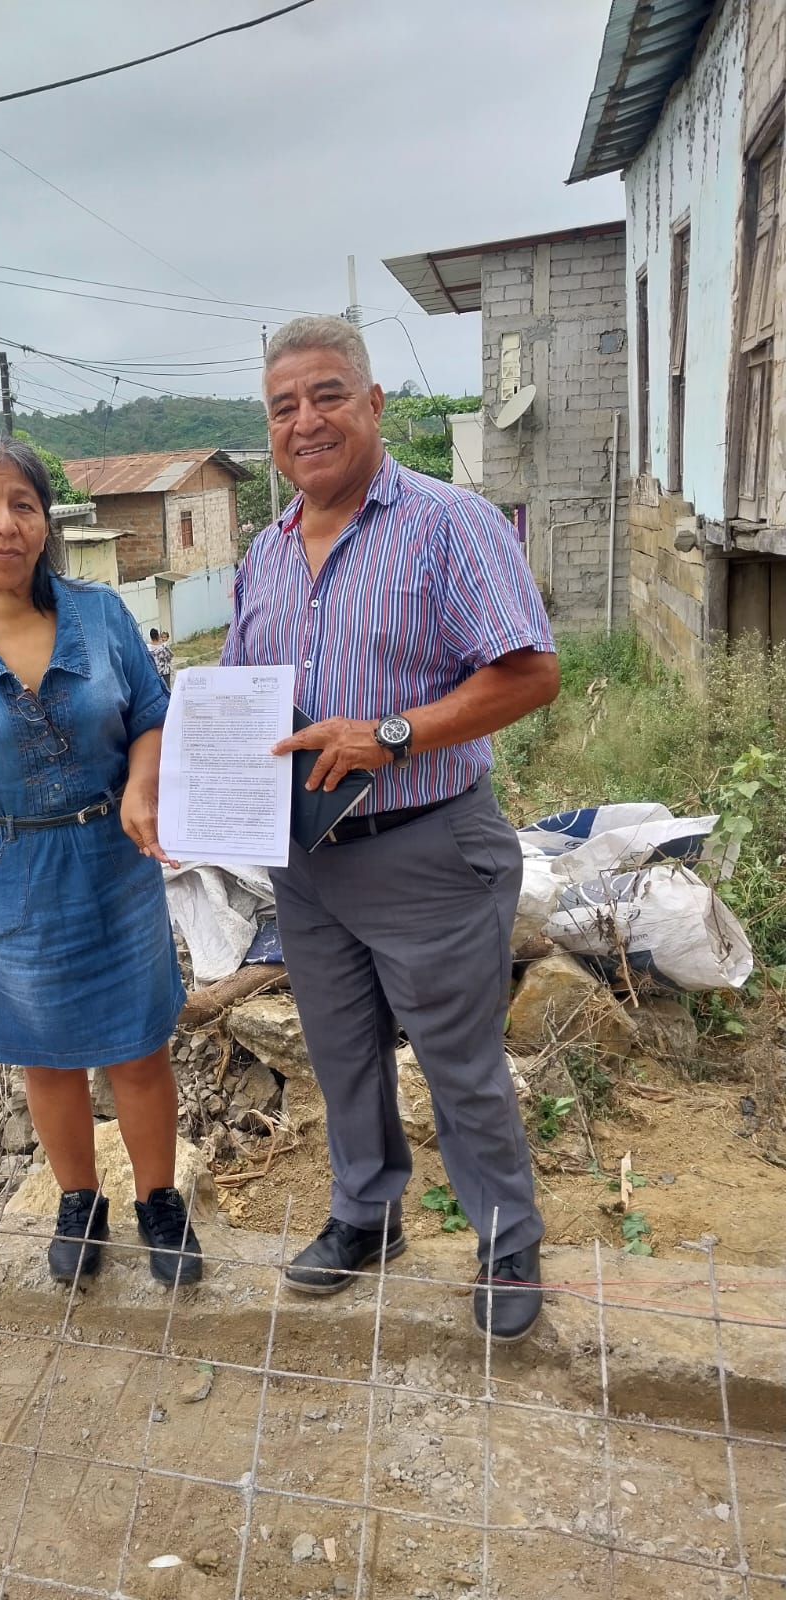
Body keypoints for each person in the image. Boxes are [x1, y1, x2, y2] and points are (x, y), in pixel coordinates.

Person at [222, 317, 559, 1342]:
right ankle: (368, 1215)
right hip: (309, 863)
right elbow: (242, 701)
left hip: (429, 848)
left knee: (459, 1064)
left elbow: (530, 673)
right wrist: (195, 793)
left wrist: (391, 733)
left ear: (373, 404)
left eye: (327, 395)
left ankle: (507, 1240)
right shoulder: (265, 554)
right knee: (342, 1055)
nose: (306, 421)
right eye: (283, 407)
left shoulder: (449, 523)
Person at [0, 435, 202, 1288]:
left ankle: (159, 1202)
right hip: (3, 878)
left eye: (23, 505)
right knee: (47, 1054)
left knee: (139, 1049)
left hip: (114, 862)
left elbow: (151, 714)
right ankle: (79, 1202)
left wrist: (142, 786)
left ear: (45, 523)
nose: (5, 524)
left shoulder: (100, 615)